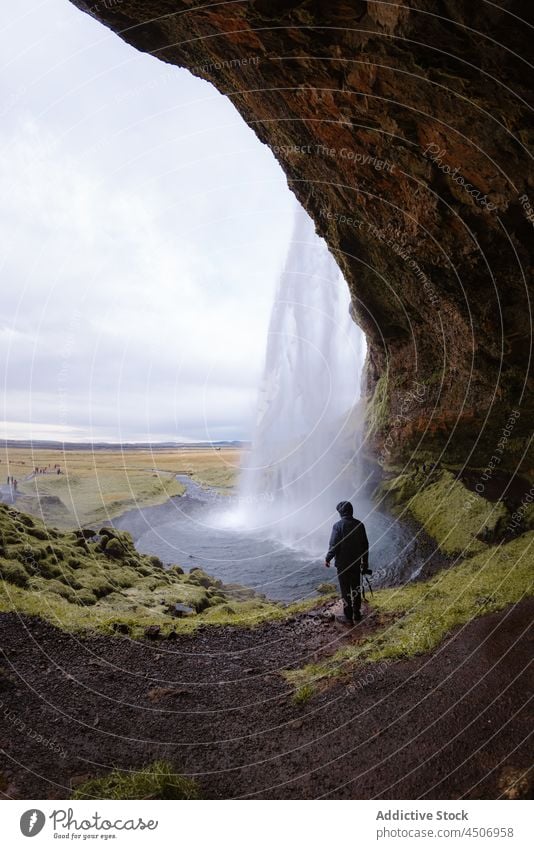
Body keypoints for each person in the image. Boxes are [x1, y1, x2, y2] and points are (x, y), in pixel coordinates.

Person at [325, 500, 369, 624]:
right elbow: (365, 546)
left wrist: (328, 558)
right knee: (356, 588)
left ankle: (348, 617)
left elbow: (334, 545)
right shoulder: (360, 525)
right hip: (356, 563)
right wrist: (365, 563)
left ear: (341, 512)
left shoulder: (337, 526)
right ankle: (357, 613)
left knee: (345, 590)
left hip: (342, 565)